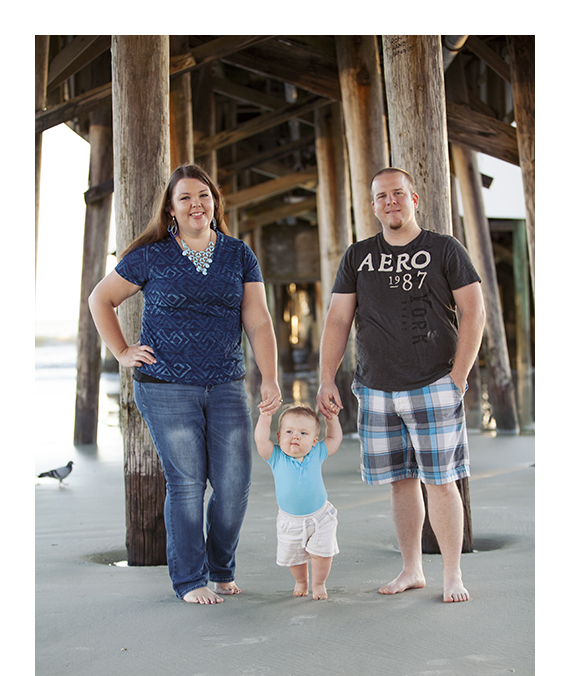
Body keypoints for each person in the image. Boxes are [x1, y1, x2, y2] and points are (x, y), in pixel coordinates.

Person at [89, 164, 282, 605]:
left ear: (214, 203)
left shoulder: (238, 254)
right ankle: (190, 579)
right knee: (188, 484)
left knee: (234, 486)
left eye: (203, 196)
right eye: (185, 198)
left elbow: (258, 319)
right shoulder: (151, 255)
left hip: (227, 383)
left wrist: (269, 376)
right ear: (171, 210)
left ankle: (221, 568)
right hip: (165, 386)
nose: (196, 204)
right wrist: (122, 351)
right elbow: (101, 298)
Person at [317, 167, 486, 603]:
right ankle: (412, 568)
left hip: (433, 383)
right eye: (381, 196)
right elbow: (338, 318)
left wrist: (458, 378)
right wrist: (326, 378)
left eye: (397, 193)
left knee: (442, 480)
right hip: (375, 388)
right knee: (400, 482)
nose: (390, 201)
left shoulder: (443, 248)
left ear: (414, 197)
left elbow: (474, 311)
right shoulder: (358, 256)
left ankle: (452, 574)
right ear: (373, 206)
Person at [254, 404, 343, 600]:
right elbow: (261, 439)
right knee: (294, 557)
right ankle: (301, 581)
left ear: (314, 441)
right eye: (289, 431)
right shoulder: (276, 456)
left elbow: (335, 439)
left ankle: (319, 583)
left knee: (322, 554)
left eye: (303, 433)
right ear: (278, 437)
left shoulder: (316, 452)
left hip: (321, 517)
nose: (295, 436)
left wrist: (332, 418)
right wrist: (265, 415)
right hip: (290, 521)